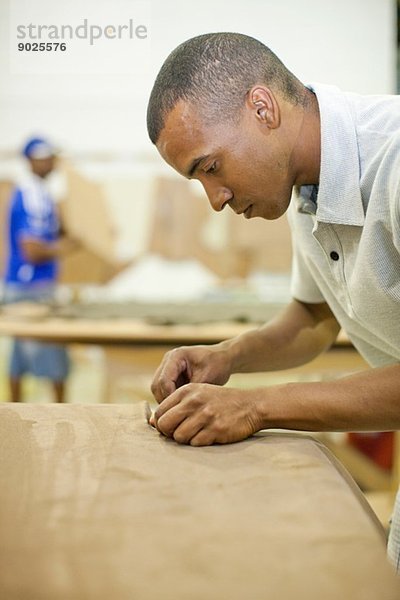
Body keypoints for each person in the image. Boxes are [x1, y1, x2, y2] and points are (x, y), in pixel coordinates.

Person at [146, 33, 400, 568]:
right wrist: (229, 356)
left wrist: (256, 406)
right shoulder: (303, 186)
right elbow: (312, 318)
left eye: (211, 169)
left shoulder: (394, 162)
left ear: (262, 108)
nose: (215, 201)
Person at [3, 136, 78, 402]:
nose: (54, 162)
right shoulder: (31, 195)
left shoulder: (44, 195)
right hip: (30, 288)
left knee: (21, 360)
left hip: (33, 286)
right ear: (33, 160)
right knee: (52, 362)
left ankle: (14, 419)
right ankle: (54, 418)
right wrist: (66, 247)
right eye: (48, 157)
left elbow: (52, 233)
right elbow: (32, 250)